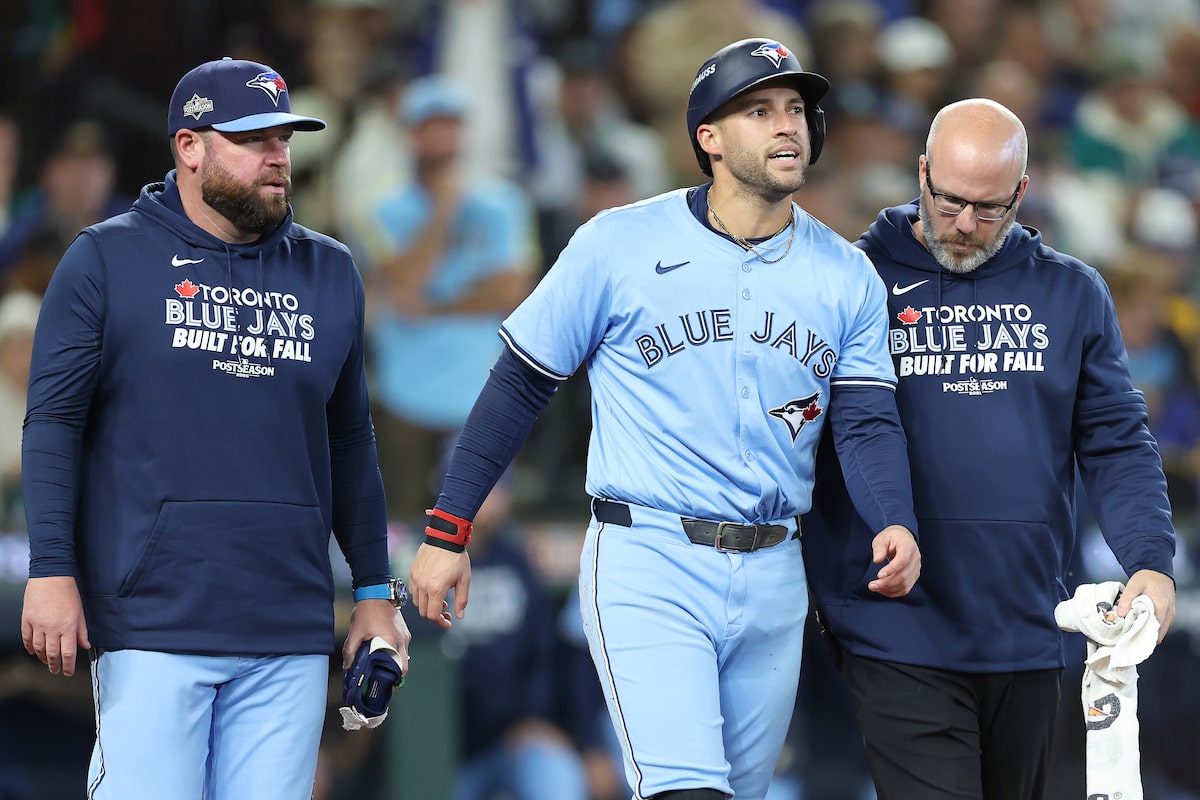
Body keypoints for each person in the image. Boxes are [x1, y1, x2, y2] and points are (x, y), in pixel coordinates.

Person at [409, 38, 922, 800]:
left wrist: (894, 516)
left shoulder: (846, 273)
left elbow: (867, 421)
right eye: (759, 111)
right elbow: (519, 383)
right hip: (650, 553)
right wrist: (448, 529)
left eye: (795, 109)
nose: (788, 125)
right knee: (687, 790)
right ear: (708, 138)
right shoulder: (619, 243)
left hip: (775, 566)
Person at [18, 57, 411, 799]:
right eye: (252, 138)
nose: (277, 155)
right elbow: (53, 427)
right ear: (189, 147)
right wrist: (51, 568)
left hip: (288, 624)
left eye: (283, 138)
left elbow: (351, 444)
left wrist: (373, 589)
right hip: (154, 619)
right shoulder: (105, 259)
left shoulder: (331, 272)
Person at [803, 98, 1178, 800]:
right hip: (896, 624)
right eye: (948, 201)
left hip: (1029, 623)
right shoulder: (854, 281)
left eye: (989, 207)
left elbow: (1118, 442)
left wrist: (1150, 560)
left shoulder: (1071, 292)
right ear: (922, 173)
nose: (965, 225)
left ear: (1022, 192)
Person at [359, 73, 536, 522]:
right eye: (431, 126)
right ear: (410, 134)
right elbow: (405, 284)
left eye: (452, 125)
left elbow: (512, 291)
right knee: (397, 522)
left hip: (479, 389)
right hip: (404, 394)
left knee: (479, 522)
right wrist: (442, 212)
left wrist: (438, 306)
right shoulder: (379, 208)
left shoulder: (503, 201)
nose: (443, 138)